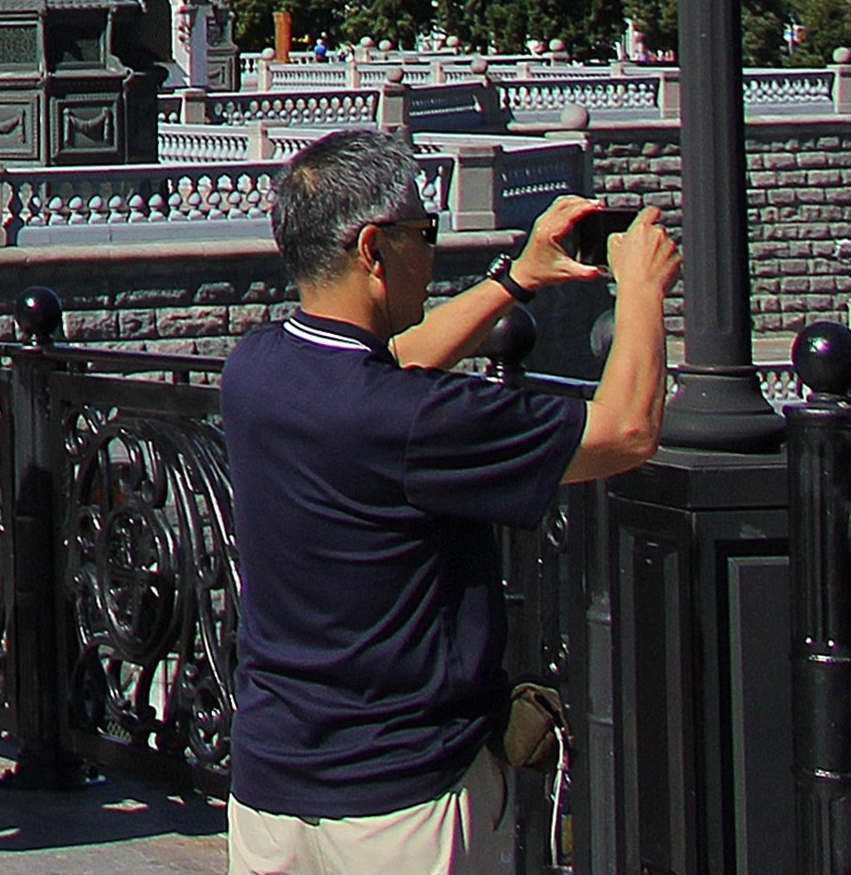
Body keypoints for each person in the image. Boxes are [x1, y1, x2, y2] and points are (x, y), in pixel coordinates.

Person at [225, 134, 672, 875]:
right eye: (421, 232)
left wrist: (515, 279)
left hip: (271, 783)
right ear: (373, 248)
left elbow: (396, 358)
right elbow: (625, 431)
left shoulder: (257, 367)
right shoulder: (415, 420)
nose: (430, 253)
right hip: (401, 799)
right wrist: (643, 291)